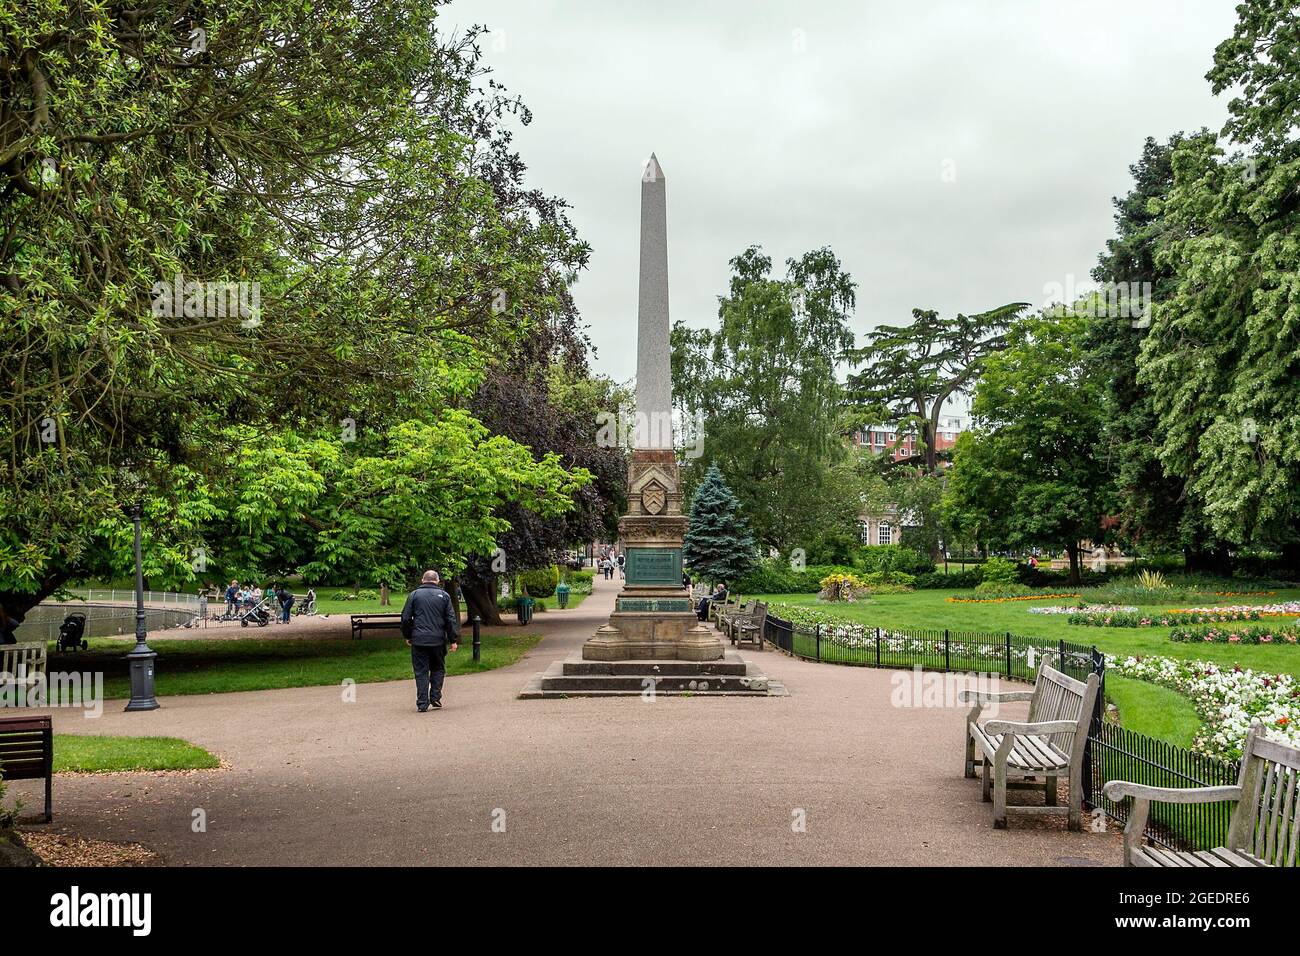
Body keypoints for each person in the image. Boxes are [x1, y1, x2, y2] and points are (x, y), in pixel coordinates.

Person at [400, 570, 460, 712]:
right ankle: (435, 697)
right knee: (438, 668)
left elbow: (405, 618)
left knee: (421, 671)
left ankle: (422, 702)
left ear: (422, 580)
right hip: (438, 640)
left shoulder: (413, 595)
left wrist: (408, 635)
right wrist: (453, 639)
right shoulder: (444, 596)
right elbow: (450, 619)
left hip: (419, 640)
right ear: (437, 581)